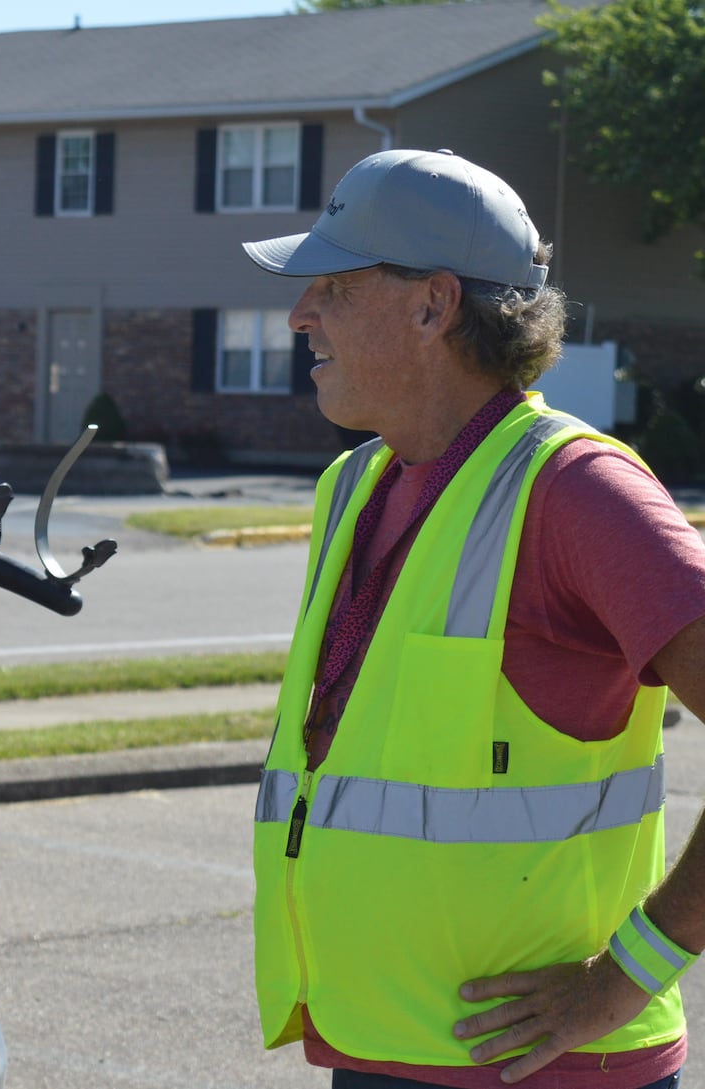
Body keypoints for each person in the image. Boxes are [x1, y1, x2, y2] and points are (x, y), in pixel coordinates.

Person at [241, 147, 705, 1089]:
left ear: (433, 304)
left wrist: (625, 979)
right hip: (381, 1046)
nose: (299, 315)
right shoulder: (353, 485)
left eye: (332, 285)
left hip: (547, 1068)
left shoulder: (581, 492)